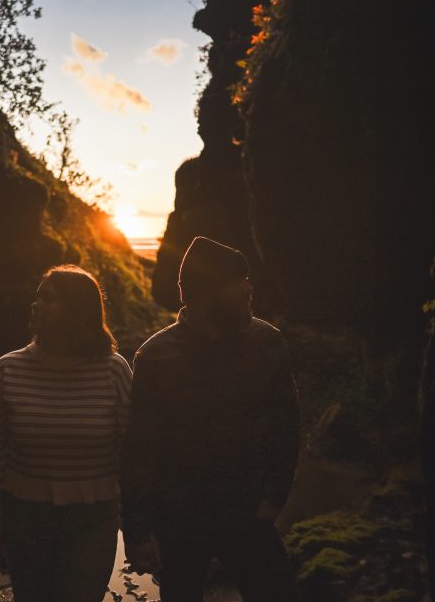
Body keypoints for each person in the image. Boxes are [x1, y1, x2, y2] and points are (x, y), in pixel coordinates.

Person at [120, 236, 301, 602]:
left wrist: (273, 499)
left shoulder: (267, 342)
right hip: (179, 518)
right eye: (239, 282)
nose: (249, 289)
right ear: (205, 293)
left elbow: (287, 425)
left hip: (251, 511)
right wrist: (139, 530)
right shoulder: (155, 357)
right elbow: (140, 448)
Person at [0, 264, 133, 602]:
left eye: (49, 299)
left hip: (94, 518)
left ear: (78, 310)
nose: (36, 305)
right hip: (25, 517)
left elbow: (130, 452)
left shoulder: (114, 371)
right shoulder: (7, 370)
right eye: (38, 297)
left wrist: (138, 524)